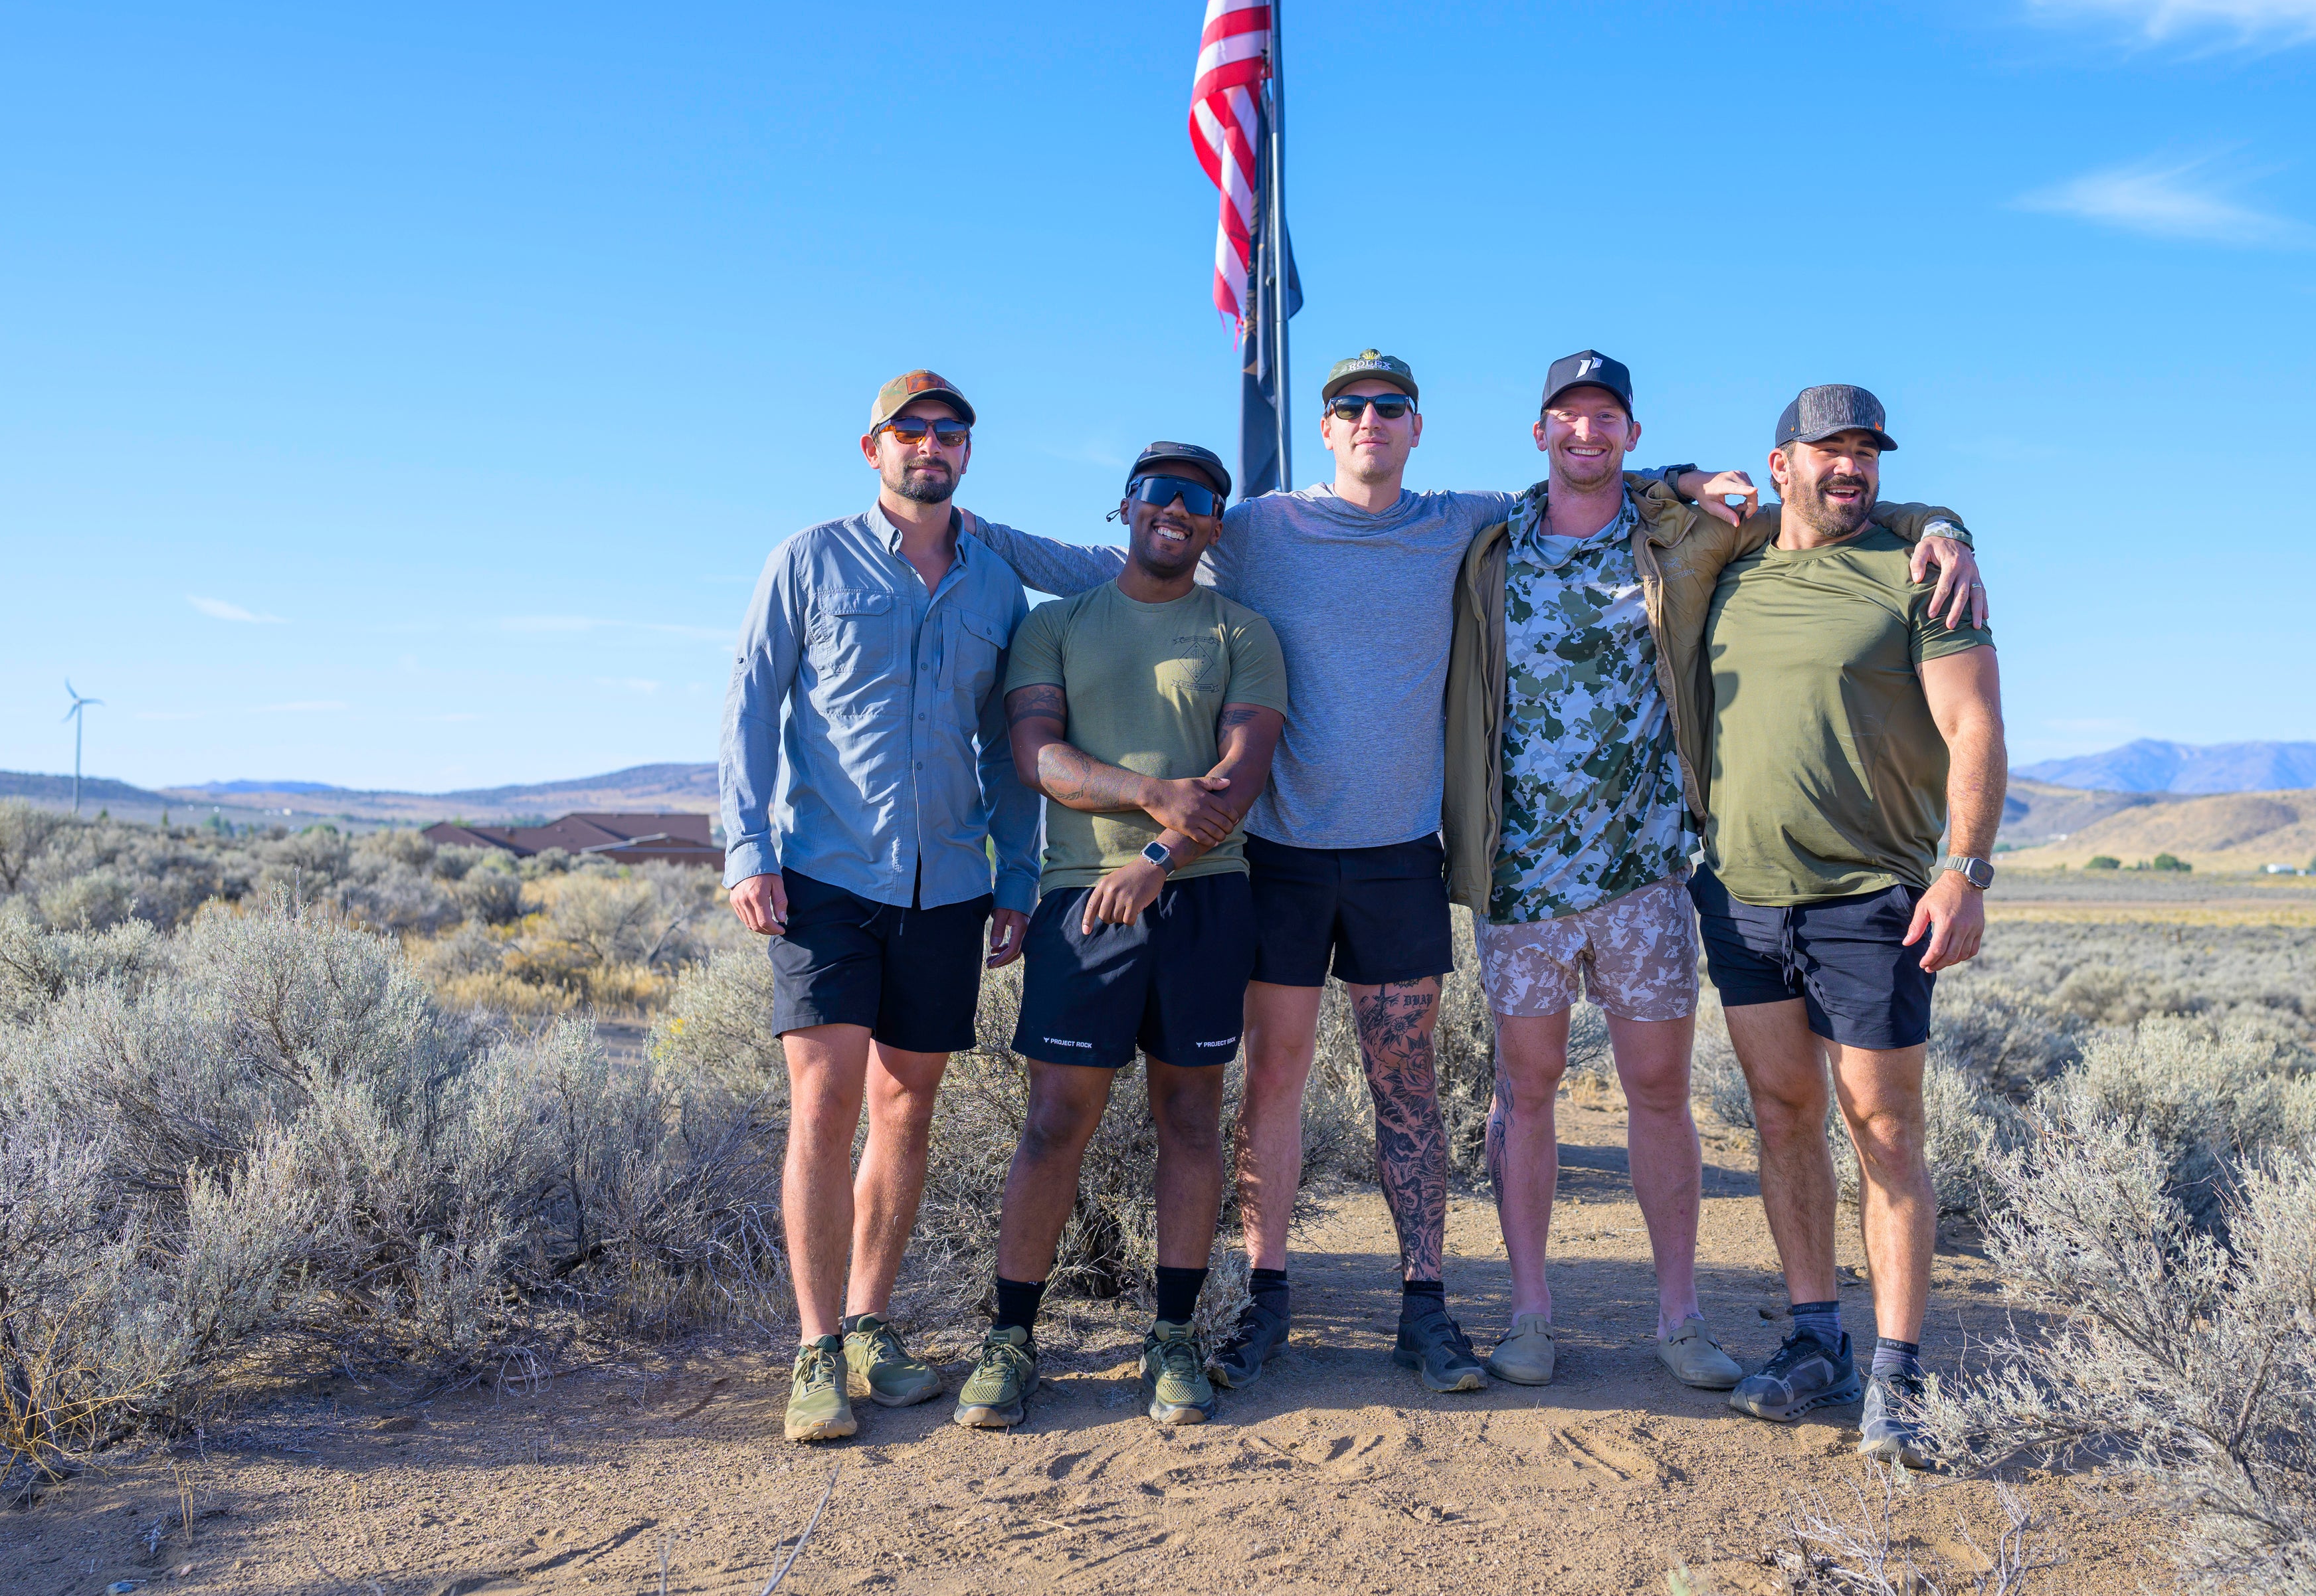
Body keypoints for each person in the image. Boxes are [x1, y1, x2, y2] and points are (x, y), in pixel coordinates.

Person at [959, 353, 1905, 1395]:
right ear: (1328, 429)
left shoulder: (1465, 520)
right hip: (1293, 855)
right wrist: (963, 526)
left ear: (1419, 426)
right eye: (1350, 407)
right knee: (1277, 1081)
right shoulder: (1266, 528)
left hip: (1422, 858)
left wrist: (1890, 516)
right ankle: (1268, 1298)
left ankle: (1441, 1308)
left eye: (1391, 406)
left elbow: (1695, 493)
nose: (1370, 420)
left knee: (1427, 1086)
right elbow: (1126, 564)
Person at [1444, 353, 1975, 1393]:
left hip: (1651, 872)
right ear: (1540, 430)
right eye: (1569, 417)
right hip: (1520, 874)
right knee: (1529, 1089)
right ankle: (1530, 1315)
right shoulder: (1489, 545)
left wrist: (1942, 524)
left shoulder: (1688, 537)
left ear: (1633, 437)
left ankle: (1682, 1318)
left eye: (1608, 419)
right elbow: (1802, 488)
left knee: (1659, 1094)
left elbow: (1833, 506)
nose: (1587, 433)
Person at [717, 369, 1041, 1445]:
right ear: (873, 450)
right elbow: (751, 706)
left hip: (949, 884)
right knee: (826, 1104)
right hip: (823, 877)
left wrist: (1017, 874)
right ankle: (815, 1351)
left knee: (908, 1107)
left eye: (951, 434)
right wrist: (747, 847)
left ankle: (869, 1325)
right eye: (911, 432)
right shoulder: (807, 560)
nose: (931, 447)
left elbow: (1006, 746)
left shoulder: (997, 586)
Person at [1692, 385, 2007, 1468]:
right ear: (1779, 465)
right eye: (1829, 450)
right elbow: (1623, 491)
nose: (1851, 468)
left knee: (1883, 1130)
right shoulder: (1722, 569)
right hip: (1739, 893)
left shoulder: (1920, 572)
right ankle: (1815, 1336)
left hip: (1872, 898)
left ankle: (1900, 1370)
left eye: (1866, 452)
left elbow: (1973, 728)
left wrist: (1962, 870)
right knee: (1782, 1116)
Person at [951, 442, 1288, 1432]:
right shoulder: (1056, 624)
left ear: (1215, 528)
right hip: (1077, 901)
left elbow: (1240, 773)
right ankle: (1011, 1340)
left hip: (1203, 900)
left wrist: (1155, 861)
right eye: (1158, 493)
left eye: (1199, 500)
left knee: (1190, 1120)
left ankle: (1174, 1337)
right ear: (1127, 508)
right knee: (1055, 1122)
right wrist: (1146, 796)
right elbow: (1039, 755)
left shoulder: (1242, 631)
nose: (1176, 509)